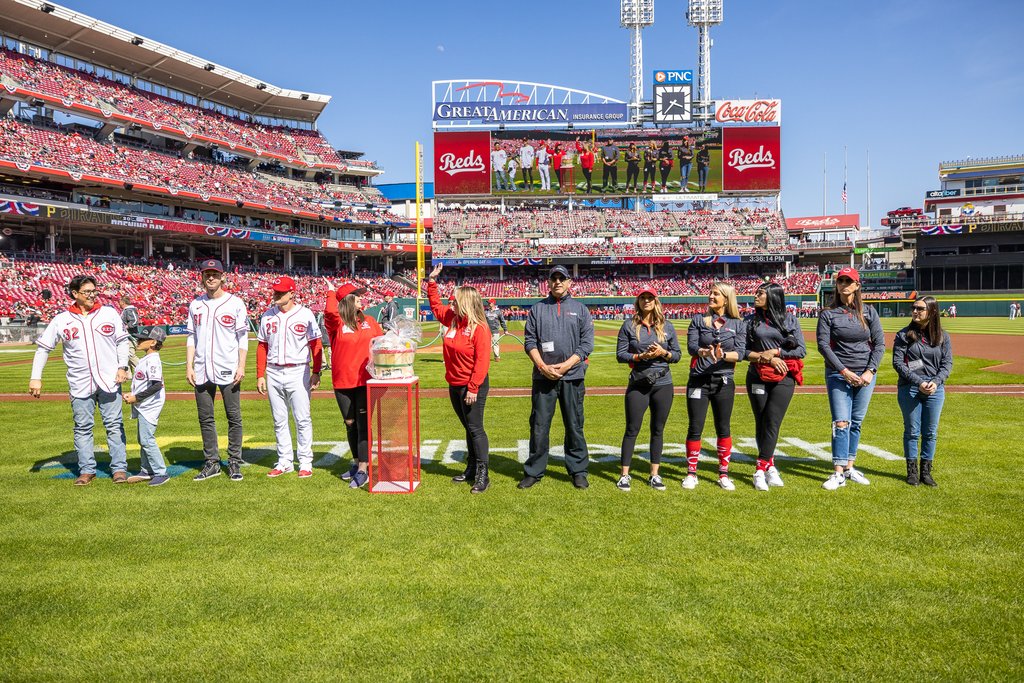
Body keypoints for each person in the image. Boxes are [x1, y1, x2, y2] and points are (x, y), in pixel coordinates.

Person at [29, 274, 130, 485]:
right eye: (87, 292)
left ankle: (119, 468)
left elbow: (122, 342)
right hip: (80, 382)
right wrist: (35, 378)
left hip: (109, 380)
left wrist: (122, 366)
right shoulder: (61, 320)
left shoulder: (109, 314)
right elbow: (43, 349)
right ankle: (87, 470)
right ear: (74, 294)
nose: (92, 295)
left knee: (114, 425)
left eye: (94, 291)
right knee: (82, 427)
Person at [520, 265, 595, 489]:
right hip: (543, 378)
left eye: (562, 278)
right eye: (554, 278)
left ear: (569, 282)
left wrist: (565, 366)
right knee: (539, 426)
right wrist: (542, 366)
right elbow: (530, 341)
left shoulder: (581, 309)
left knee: (574, 425)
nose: (558, 282)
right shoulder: (537, 309)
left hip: (572, 377)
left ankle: (578, 470)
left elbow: (586, 345)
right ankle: (534, 470)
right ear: (548, 283)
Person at [816, 267, 885, 491]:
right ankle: (838, 472)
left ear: (857, 285)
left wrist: (869, 372)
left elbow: (880, 344)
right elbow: (823, 346)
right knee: (841, 423)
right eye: (840, 280)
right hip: (838, 374)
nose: (844, 284)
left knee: (855, 423)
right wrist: (844, 371)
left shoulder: (870, 312)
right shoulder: (828, 313)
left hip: (865, 376)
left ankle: (849, 467)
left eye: (848, 280)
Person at [426, 264, 493, 493]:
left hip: (471, 386)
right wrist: (432, 281)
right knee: (467, 427)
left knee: (475, 429)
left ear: (465, 303)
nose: (450, 303)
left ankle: (483, 474)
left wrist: (473, 388)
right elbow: (436, 307)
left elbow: (482, 362)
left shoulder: (479, 328)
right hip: (454, 384)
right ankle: (472, 467)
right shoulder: (453, 320)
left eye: (454, 300)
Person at [187, 259, 249, 482]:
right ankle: (211, 461)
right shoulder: (195, 304)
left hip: (228, 367)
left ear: (223, 277)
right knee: (205, 417)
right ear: (202, 277)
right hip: (202, 369)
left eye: (215, 274)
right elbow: (191, 336)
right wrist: (189, 365)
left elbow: (243, 337)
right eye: (207, 274)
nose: (210, 277)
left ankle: (234, 460)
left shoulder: (235, 303)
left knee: (234, 416)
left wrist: (241, 365)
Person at [257, 276, 324, 479]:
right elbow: (262, 345)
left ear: (292, 293)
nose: (276, 294)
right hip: (274, 371)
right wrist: (260, 374)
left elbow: (316, 344)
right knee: (279, 420)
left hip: (298, 370)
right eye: (275, 291)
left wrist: (316, 371)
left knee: (302, 419)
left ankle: (305, 462)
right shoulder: (267, 316)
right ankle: (284, 460)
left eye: (281, 292)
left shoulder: (305, 314)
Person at [615, 286, 681, 491]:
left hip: (663, 383)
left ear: (655, 301)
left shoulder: (667, 326)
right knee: (632, 429)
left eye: (650, 297)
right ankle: (624, 475)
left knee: (658, 430)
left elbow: (677, 355)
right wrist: (640, 357)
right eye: (642, 297)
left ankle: (654, 474)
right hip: (638, 382)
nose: (646, 301)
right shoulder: (628, 325)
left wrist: (663, 352)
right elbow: (620, 354)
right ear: (638, 301)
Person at [683, 282, 746, 490]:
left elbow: (741, 353)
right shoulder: (699, 320)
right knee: (695, 427)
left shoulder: (738, 323)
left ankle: (723, 474)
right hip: (699, 380)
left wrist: (723, 356)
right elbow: (692, 346)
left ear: (726, 299)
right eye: (710, 293)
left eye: (716, 294)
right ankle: (692, 473)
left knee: (723, 427)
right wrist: (702, 352)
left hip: (724, 380)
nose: (711, 296)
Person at [744, 282, 806, 492]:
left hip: (784, 377)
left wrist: (777, 352)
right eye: (757, 293)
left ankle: (760, 470)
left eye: (760, 293)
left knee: (772, 420)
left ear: (772, 296)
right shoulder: (750, 321)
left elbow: (801, 350)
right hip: (757, 376)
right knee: (761, 422)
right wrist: (765, 358)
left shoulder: (790, 319)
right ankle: (770, 466)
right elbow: (743, 351)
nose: (756, 296)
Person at [324, 280, 383, 489]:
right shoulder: (336, 323)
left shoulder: (369, 321)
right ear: (347, 300)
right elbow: (330, 312)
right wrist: (332, 293)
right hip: (342, 382)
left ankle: (364, 469)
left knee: (363, 424)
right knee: (350, 424)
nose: (361, 297)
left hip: (365, 381)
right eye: (356, 295)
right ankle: (357, 463)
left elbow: (382, 344)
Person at [893, 296, 953, 487]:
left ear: (932, 312)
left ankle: (926, 472)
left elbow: (947, 364)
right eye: (914, 308)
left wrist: (935, 382)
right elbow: (898, 363)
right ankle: (912, 472)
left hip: (935, 389)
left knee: (930, 432)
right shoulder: (903, 335)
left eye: (920, 308)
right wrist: (919, 382)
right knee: (912, 431)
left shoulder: (943, 337)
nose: (915, 311)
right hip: (910, 388)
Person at [123, 327, 170, 487]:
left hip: (149, 406)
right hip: (143, 404)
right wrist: (132, 393)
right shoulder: (146, 359)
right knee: (142, 439)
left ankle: (160, 472)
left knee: (146, 439)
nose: (138, 341)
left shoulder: (153, 360)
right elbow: (145, 383)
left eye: (143, 339)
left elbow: (156, 385)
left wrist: (136, 397)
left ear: (153, 342)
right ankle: (146, 470)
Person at [119, 294, 140, 371]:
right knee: (126, 355)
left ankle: (142, 368)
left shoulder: (129, 310)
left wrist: (127, 326)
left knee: (130, 355)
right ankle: (129, 375)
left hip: (131, 336)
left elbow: (135, 321)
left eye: (119, 302)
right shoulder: (126, 311)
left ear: (123, 302)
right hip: (126, 336)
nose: (119, 304)